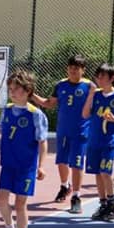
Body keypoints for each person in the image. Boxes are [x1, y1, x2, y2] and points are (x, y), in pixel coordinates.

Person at [30, 54, 93, 213]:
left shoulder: (90, 86)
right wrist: (31, 95)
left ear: (83, 70)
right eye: (71, 68)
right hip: (63, 131)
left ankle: (77, 196)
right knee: (61, 162)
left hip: (81, 131)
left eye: (76, 68)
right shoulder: (60, 85)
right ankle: (65, 186)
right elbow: (48, 104)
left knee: (77, 163)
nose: (73, 71)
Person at [0, 70, 49, 228]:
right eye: (10, 89)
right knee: (1, 199)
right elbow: (2, 130)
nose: (12, 92)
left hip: (26, 166)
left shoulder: (35, 115)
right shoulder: (7, 110)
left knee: (20, 204)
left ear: (27, 91)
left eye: (17, 89)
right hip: (8, 164)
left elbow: (43, 141)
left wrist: (41, 166)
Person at [85, 63, 114, 222]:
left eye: (103, 76)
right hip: (94, 139)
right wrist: (90, 95)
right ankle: (103, 204)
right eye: (98, 76)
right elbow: (85, 114)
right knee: (97, 172)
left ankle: (112, 204)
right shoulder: (95, 95)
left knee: (105, 172)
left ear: (112, 78)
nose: (99, 79)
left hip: (110, 140)